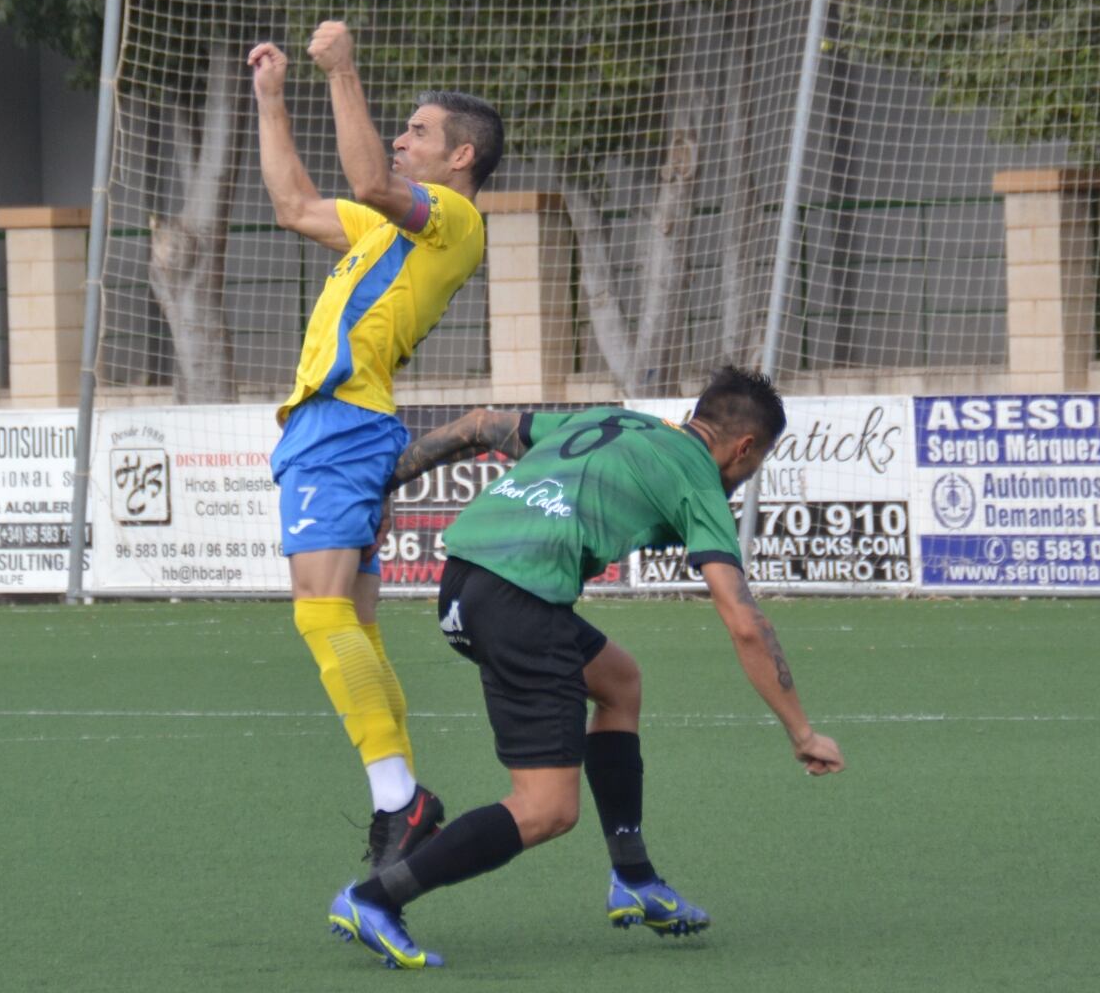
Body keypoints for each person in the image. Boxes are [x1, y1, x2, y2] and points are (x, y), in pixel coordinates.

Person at [325, 366, 846, 969]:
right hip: (518, 604)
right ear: (745, 446)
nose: (746, 476)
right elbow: (745, 623)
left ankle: (635, 877)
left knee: (618, 680)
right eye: (754, 464)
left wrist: (380, 487)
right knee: (547, 809)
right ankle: (373, 899)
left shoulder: (616, 422)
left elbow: (479, 427)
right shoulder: (697, 476)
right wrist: (802, 732)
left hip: (466, 580)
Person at [247, 21, 503, 874]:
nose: (402, 138)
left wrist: (343, 71)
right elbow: (293, 205)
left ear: (461, 159)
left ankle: (401, 799)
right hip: (340, 426)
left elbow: (365, 174)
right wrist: (272, 97)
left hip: (343, 424)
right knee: (351, 621)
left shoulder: (454, 219)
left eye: (420, 131)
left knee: (320, 615)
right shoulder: (381, 231)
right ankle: (401, 798)